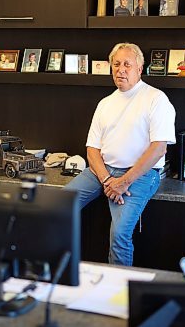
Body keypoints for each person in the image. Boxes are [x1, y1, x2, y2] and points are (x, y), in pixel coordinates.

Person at [64, 43, 176, 266]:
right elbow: (92, 149)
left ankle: (119, 294)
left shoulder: (156, 99)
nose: (121, 69)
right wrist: (108, 180)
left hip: (140, 175)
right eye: (116, 64)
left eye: (127, 64)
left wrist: (124, 181)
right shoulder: (105, 103)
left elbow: (159, 148)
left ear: (139, 68)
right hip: (101, 171)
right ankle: (57, 273)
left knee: (120, 235)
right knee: (58, 206)